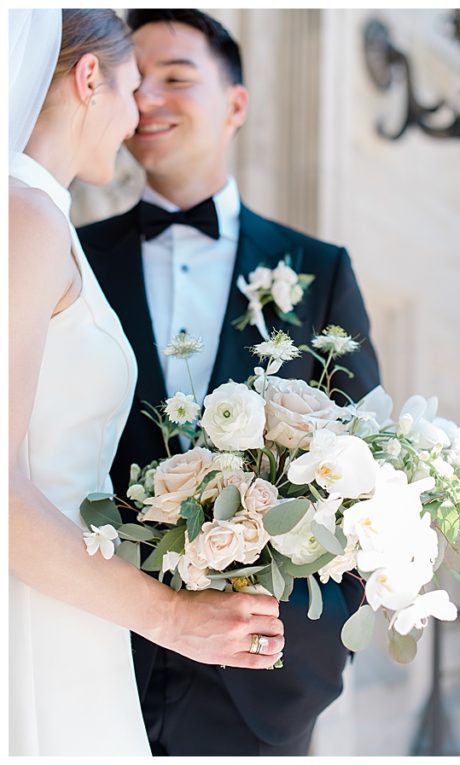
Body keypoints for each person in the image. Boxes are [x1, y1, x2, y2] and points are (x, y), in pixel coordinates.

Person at [77, 9, 381, 756]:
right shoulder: (68, 259)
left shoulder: (319, 268)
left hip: (265, 675)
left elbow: (373, 461)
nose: (147, 98)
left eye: (175, 78)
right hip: (94, 653)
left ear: (236, 104)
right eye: (132, 80)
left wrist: (324, 647)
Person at [9, 9, 283, 756]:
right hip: (40, 606)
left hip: (79, 605)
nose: (136, 117)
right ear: (90, 78)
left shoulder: (38, 217)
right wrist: (170, 617)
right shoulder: (22, 216)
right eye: (132, 87)